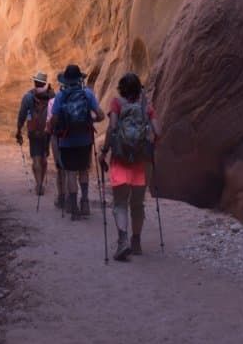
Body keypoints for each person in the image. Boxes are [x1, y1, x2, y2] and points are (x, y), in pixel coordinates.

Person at [99, 72, 159, 260]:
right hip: (141, 162)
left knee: (120, 203)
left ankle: (123, 240)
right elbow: (158, 131)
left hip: (121, 159)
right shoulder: (147, 107)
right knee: (137, 204)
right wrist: (147, 142)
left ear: (121, 89)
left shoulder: (117, 103)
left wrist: (104, 151)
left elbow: (113, 127)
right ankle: (136, 241)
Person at [46, 63, 104, 220]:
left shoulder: (61, 96)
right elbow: (101, 115)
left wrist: (51, 129)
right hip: (85, 139)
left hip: (66, 140)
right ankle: (85, 202)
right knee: (84, 170)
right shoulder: (87, 94)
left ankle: (74, 207)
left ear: (65, 80)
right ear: (80, 79)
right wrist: (91, 119)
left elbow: (55, 118)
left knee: (70, 173)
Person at [15, 72, 54, 194]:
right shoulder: (52, 95)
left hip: (33, 131)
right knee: (44, 157)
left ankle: (39, 185)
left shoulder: (28, 96)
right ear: (44, 83)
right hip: (47, 131)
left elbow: (22, 114)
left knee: (36, 157)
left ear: (35, 82)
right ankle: (41, 182)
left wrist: (19, 130)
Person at [47, 74, 67, 210]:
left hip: (58, 137)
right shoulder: (83, 96)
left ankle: (61, 197)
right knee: (73, 169)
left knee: (60, 168)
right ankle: (78, 200)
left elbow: (51, 121)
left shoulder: (54, 100)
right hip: (76, 137)